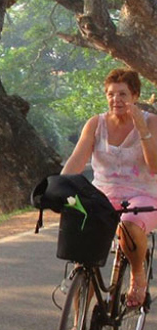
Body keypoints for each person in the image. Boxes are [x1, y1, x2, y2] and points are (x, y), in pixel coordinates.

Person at [62, 68, 157, 308]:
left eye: (123, 94)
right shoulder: (96, 124)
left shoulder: (152, 122)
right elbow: (76, 162)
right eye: (111, 94)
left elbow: (154, 167)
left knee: (129, 226)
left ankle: (138, 275)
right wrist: (59, 186)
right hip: (103, 196)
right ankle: (75, 329)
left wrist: (142, 130)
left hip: (143, 195)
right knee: (85, 260)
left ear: (135, 96)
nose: (117, 100)